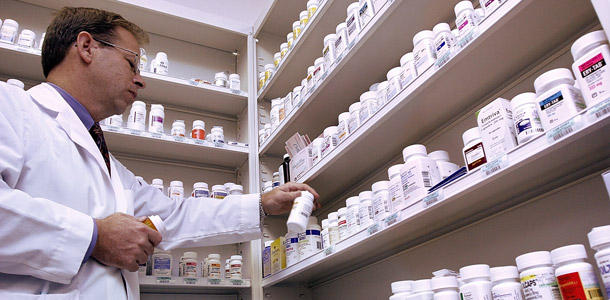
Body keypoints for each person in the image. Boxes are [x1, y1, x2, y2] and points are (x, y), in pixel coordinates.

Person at [0, 7, 319, 299]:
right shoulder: (10, 108)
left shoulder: (111, 167)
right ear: (87, 47)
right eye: (131, 63)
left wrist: (262, 204)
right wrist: (94, 237)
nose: (140, 79)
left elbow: (176, 215)